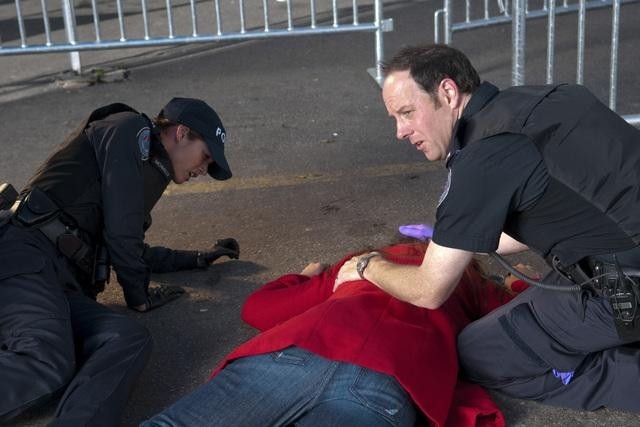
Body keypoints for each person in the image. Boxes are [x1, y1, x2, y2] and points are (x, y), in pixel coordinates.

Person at [334, 43, 640, 412]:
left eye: (407, 113)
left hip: (623, 292)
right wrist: (456, 238)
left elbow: (429, 291)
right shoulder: (549, 98)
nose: (401, 131)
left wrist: (369, 266)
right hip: (618, 256)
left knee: (479, 351)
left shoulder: (482, 158)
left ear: (447, 92)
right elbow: (570, 202)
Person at [0, 97, 240, 426]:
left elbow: (130, 249)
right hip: (23, 257)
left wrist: (196, 258)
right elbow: (122, 235)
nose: (204, 170)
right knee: (46, 361)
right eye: (206, 156)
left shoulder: (145, 169)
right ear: (181, 133)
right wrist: (138, 297)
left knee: (127, 338)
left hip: (57, 281)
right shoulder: (127, 128)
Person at [141, 241, 527, 427]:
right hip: (388, 381)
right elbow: (523, 322)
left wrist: (306, 276)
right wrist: (516, 283)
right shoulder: (468, 281)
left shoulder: (357, 267)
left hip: (295, 352)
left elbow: (257, 309)